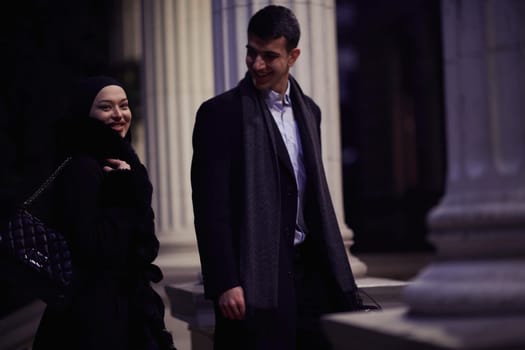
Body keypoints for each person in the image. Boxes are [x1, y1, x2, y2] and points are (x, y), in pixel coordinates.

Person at [191, 5, 364, 350]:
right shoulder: (220, 114)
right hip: (254, 277)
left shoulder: (309, 111)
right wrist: (225, 281)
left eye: (269, 56)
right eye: (251, 53)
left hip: (310, 272)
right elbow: (211, 208)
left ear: (293, 56)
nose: (257, 65)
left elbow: (312, 192)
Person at [32, 76, 176, 350]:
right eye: (106, 107)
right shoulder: (83, 168)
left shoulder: (126, 163)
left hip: (126, 305)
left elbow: (145, 242)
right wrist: (123, 191)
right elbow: (93, 246)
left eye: (124, 105)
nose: (119, 115)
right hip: (92, 316)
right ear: (86, 114)